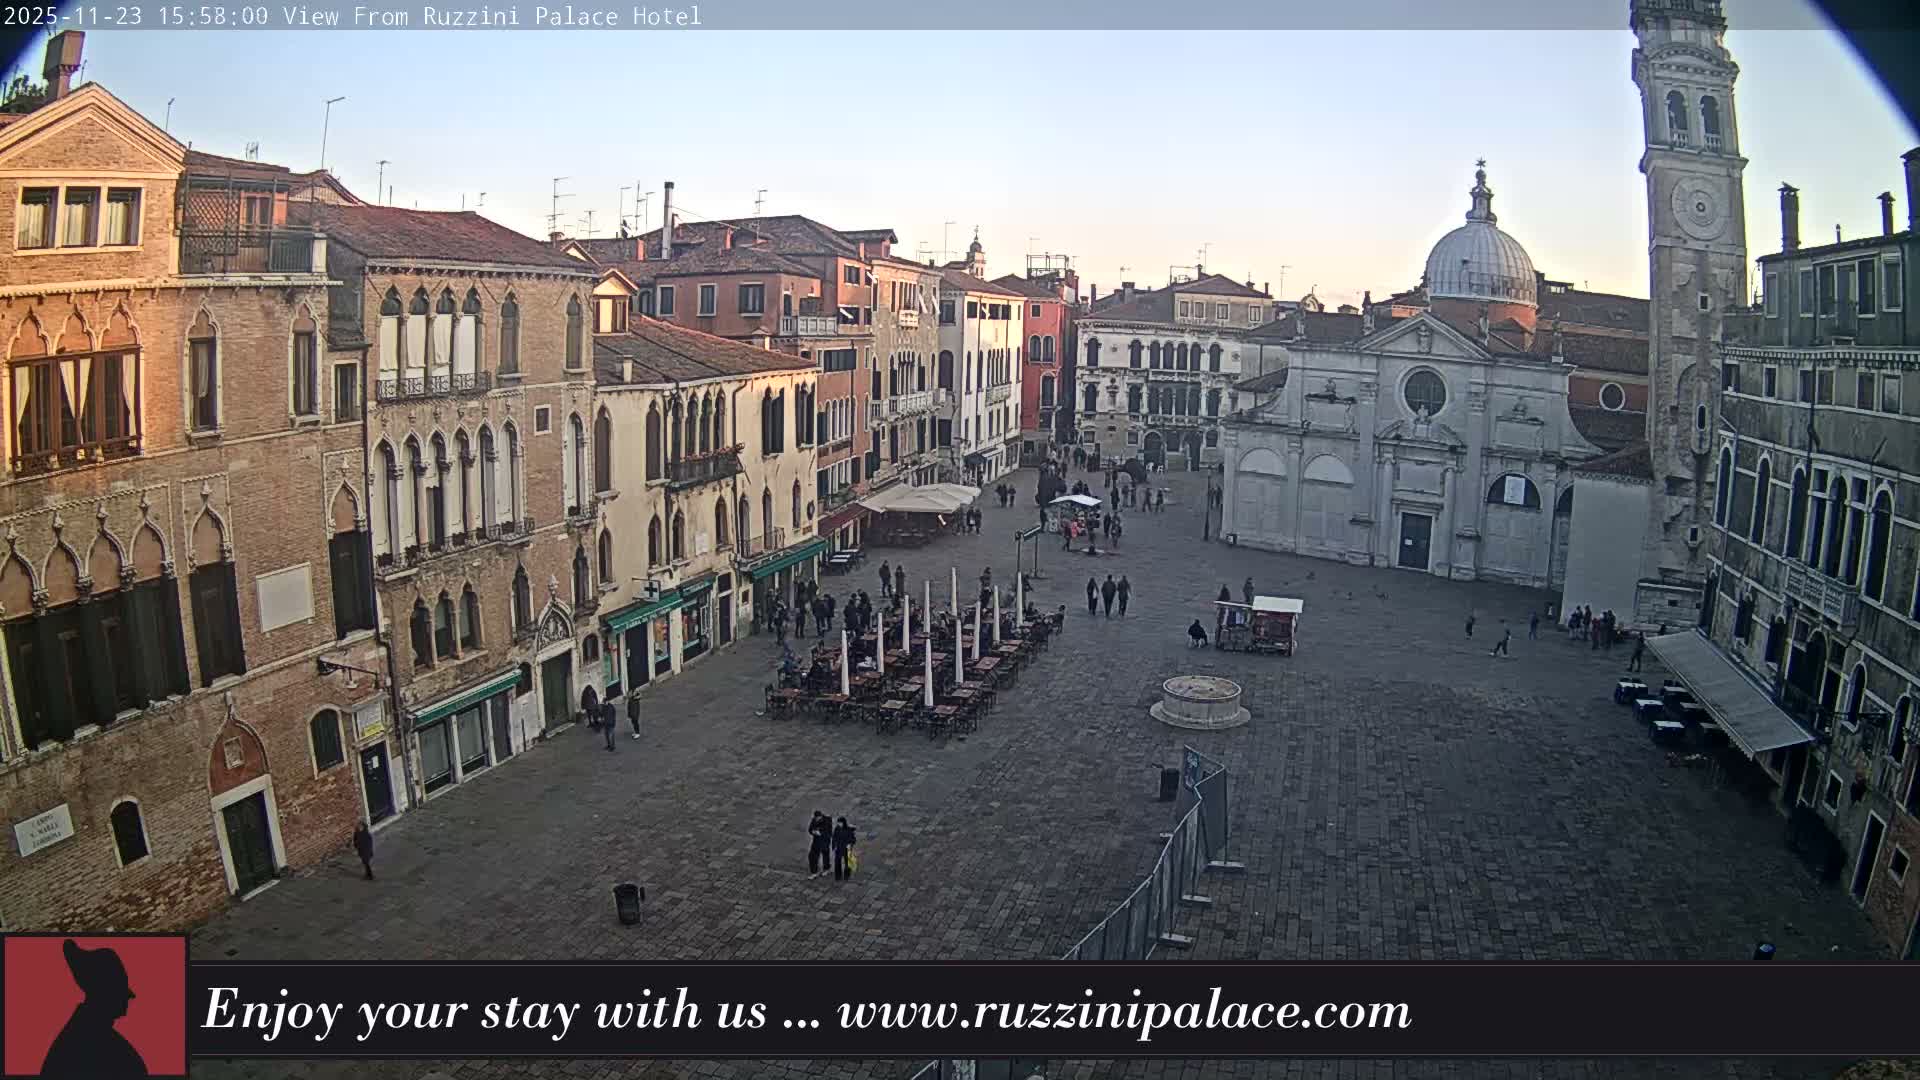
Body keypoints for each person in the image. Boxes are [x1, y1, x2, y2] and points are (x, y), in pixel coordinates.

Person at [40, 940, 150, 1078]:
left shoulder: (85, 1034)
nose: (127, 1000)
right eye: (120, 992)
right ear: (106, 994)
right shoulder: (87, 1042)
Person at [831, 816, 857, 881]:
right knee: (837, 862)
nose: (838, 824)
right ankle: (838, 876)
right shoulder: (837, 829)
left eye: (840, 823)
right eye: (838, 823)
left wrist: (849, 844)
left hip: (846, 849)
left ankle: (846, 875)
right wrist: (834, 847)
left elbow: (853, 840)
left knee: (847, 863)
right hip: (839, 848)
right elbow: (834, 838)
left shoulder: (849, 830)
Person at [808, 811, 832, 878]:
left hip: (824, 841)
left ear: (821, 816)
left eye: (818, 818)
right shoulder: (814, 820)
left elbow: (829, 832)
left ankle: (826, 869)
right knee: (812, 856)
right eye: (816, 818)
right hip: (816, 841)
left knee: (825, 855)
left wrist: (820, 833)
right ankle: (814, 872)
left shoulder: (827, 821)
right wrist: (813, 832)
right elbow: (810, 829)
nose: (816, 819)